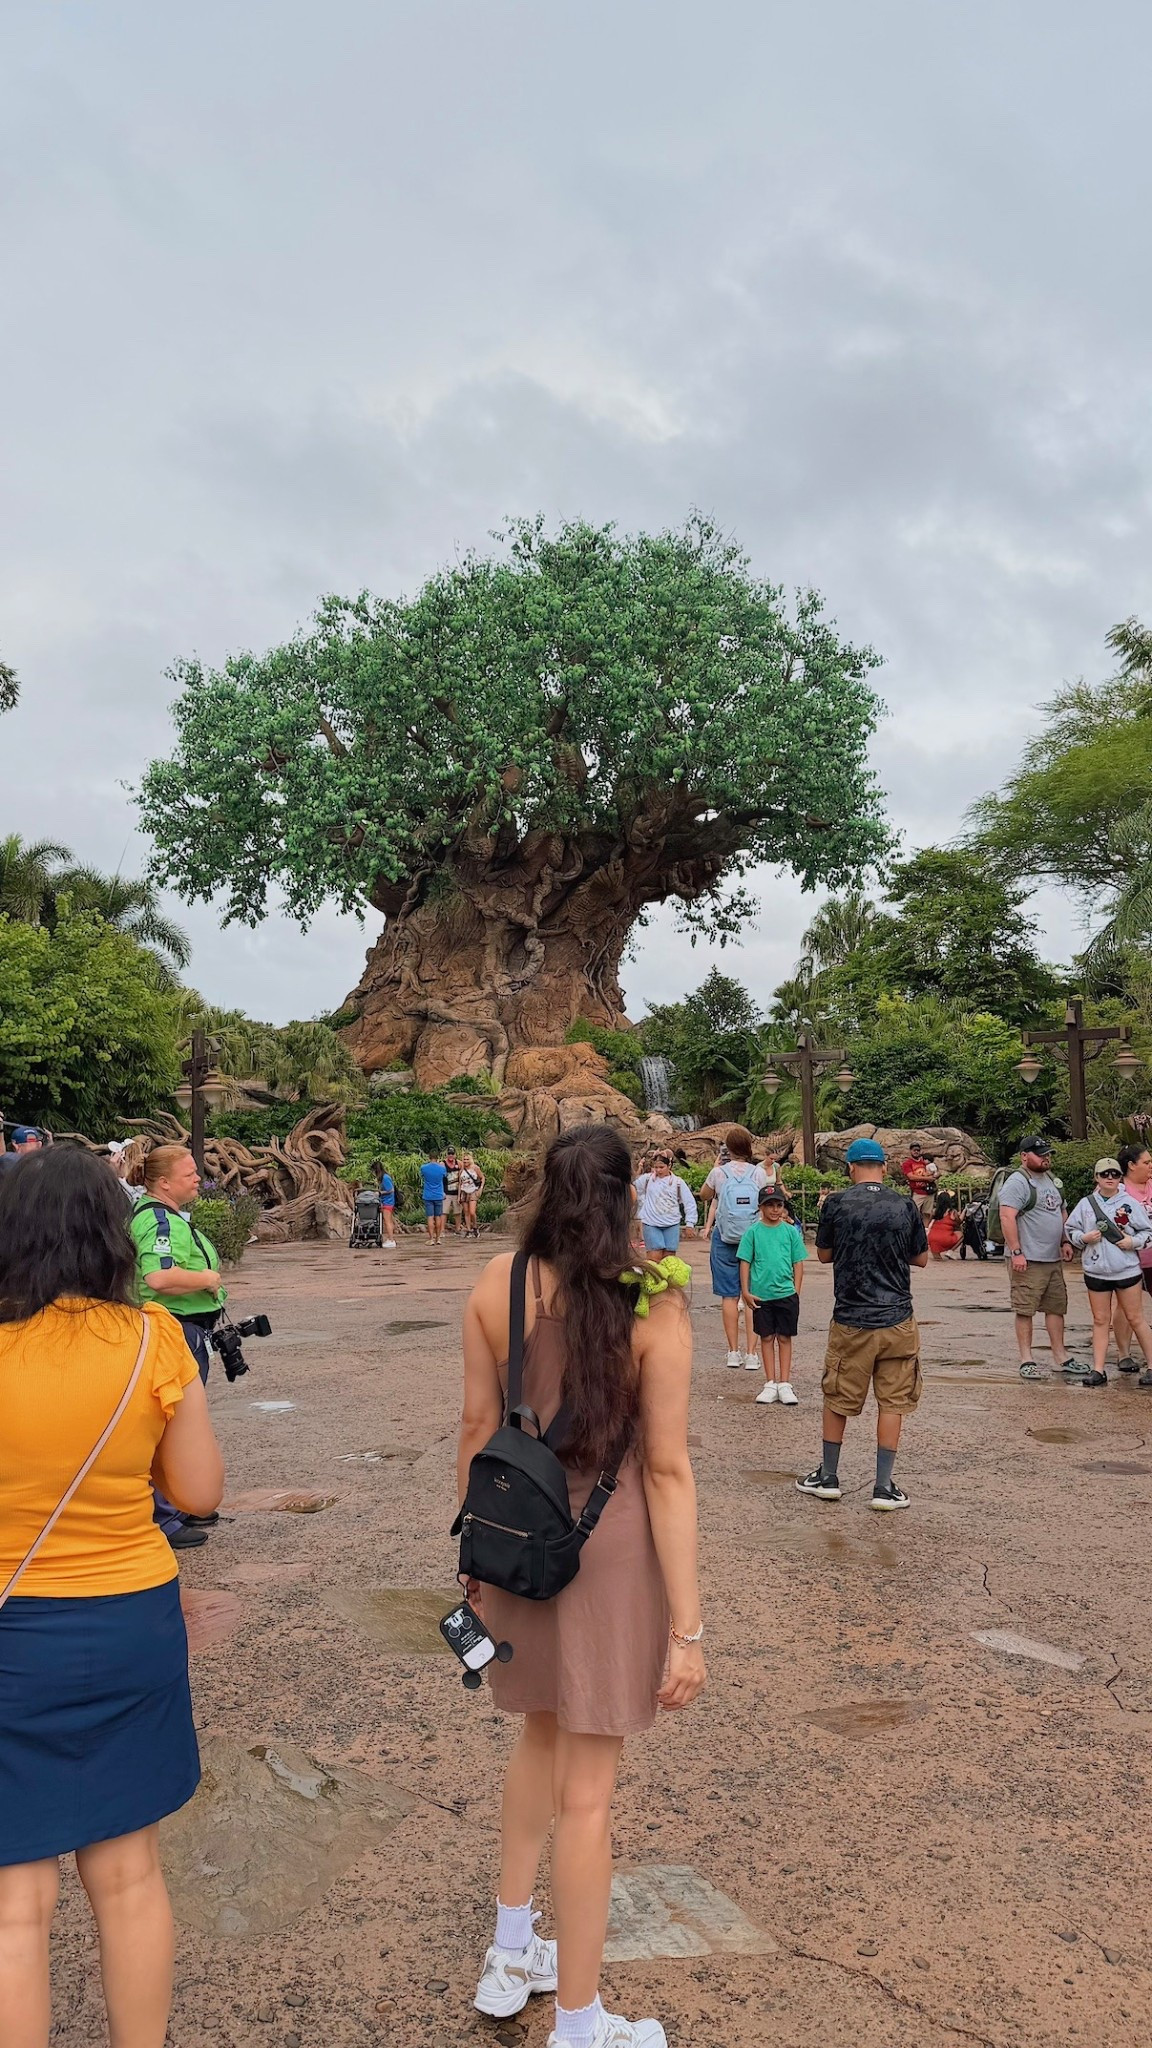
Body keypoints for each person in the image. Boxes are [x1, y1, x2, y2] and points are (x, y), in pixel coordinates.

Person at [459, 1125, 705, 2048]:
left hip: (517, 1538)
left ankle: (510, 1953)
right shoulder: (655, 1306)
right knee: (590, 1794)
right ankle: (579, 2022)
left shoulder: (498, 1284)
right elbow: (670, 1472)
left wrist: (473, 1557)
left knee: (539, 1739)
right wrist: (687, 1626)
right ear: (625, 1195)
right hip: (606, 1550)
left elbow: (476, 1428)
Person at [0, 1144, 225, 2048]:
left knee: (15, 1897)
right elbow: (201, 1491)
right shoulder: (151, 1340)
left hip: (14, 1633)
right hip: (129, 1618)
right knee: (128, 1876)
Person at [796, 1136, 928, 1512]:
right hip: (897, 1319)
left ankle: (829, 1477)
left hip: (852, 1318)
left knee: (838, 1395)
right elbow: (921, 1259)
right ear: (884, 1168)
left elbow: (823, 1255)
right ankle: (884, 1487)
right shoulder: (904, 1205)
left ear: (851, 1168)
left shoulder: (837, 1203)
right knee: (893, 1401)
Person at [129, 1145, 226, 1552]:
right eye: (190, 1173)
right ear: (164, 1182)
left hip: (183, 1327)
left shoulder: (164, 1216)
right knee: (172, 1422)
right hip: (174, 1329)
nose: (198, 1179)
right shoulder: (157, 1219)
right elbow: (159, 1277)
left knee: (178, 1420)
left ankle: (181, 1503)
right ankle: (166, 1516)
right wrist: (207, 1277)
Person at [998, 1136, 1082, 1383]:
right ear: (1024, 1156)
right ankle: (1027, 1359)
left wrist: (1065, 1241)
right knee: (1025, 1308)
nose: (1046, 1158)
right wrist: (1016, 1251)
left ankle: (1060, 1356)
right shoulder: (1018, 1182)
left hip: (1052, 1257)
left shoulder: (1052, 1180)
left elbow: (1062, 1211)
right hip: (1028, 1258)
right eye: (1040, 1154)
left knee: (1056, 1307)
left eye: (1047, 1154)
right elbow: (1007, 1217)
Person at [1065, 1159, 1152, 1387]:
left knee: (1135, 1318)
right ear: (1097, 1177)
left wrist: (1131, 1241)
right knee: (1100, 1319)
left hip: (1125, 1269)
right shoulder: (1086, 1204)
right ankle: (1098, 1368)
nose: (1110, 1178)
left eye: (1114, 1173)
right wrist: (1083, 1239)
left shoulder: (1130, 1203)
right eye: (1105, 1174)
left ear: (1120, 1176)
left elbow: (1148, 1231)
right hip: (1096, 1270)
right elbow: (1071, 1229)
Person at [702, 1127, 771, 1370]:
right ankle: (752, 1354)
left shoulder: (718, 1173)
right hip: (752, 1239)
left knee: (729, 1297)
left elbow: (704, 1195)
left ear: (728, 1149)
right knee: (751, 1295)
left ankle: (733, 1352)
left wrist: (716, 1167)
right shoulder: (758, 1173)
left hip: (725, 1238)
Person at [738, 1184, 807, 1406]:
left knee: (785, 1337)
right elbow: (745, 1262)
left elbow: (798, 1262)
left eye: (779, 1205)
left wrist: (796, 1290)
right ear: (761, 1208)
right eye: (770, 1206)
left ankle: (785, 1382)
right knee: (766, 1337)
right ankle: (770, 1382)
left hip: (786, 1293)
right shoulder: (753, 1233)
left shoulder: (790, 1232)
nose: (775, 1210)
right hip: (761, 1295)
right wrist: (745, 1291)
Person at [1111, 1143, 1152, 1368]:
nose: (1150, 1166)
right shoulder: (1116, 1190)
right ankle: (1123, 1354)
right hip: (1129, 1259)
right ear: (1131, 1166)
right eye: (1146, 1162)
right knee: (1126, 1308)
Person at [632, 1151, 698, 1254]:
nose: (658, 1170)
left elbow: (689, 1202)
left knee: (669, 1257)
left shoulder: (678, 1182)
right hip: (651, 1222)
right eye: (656, 1167)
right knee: (655, 1256)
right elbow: (632, 1188)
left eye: (661, 1167)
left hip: (672, 1223)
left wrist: (690, 1223)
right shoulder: (647, 1179)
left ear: (669, 1165)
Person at [420, 1150, 449, 1245]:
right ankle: (438, 1238)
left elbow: (423, 1176)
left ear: (429, 1157)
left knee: (430, 1217)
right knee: (438, 1216)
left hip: (428, 1195)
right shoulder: (442, 1168)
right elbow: (445, 1178)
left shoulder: (424, 1168)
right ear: (438, 1158)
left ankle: (431, 1239)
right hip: (439, 1195)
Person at [899, 1142, 935, 1218]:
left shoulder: (924, 1162)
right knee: (914, 1213)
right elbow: (911, 1177)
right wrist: (927, 1179)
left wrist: (935, 1176)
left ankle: (926, 1229)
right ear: (910, 1151)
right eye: (914, 1150)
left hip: (929, 1191)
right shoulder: (907, 1163)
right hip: (917, 1192)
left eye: (918, 1150)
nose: (916, 1152)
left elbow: (934, 1171)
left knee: (927, 1214)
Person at [927, 1191, 963, 1260]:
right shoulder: (952, 1212)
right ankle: (950, 1251)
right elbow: (959, 1222)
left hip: (932, 1238)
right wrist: (963, 1213)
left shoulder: (935, 1211)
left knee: (937, 1258)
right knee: (960, 1234)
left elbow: (928, 1223)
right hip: (945, 1238)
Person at [459, 1151, 485, 1239]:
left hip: (473, 1191)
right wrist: (459, 1195)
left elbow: (482, 1177)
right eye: (464, 1159)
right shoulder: (461, 1170)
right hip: (464, 1191)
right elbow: (459, 1183)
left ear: (470, 1160)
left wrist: (481, 1188)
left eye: (467, 1159)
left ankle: (475, 1227)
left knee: (472, 1212)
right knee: (466, 1212)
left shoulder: (475, 1168)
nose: (465, 1161)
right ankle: (469, 1230)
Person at [372, 1159, 397, 1248]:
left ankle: (391, 1240)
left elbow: (391, 1190)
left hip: (388, 1202)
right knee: (387, 1221)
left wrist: (380, 1193)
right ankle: (389, 1238)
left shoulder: (385, 1178)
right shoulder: (384, 1178)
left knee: (387, 1221)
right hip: (386, 1202)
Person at [444, 1147, 463, 1235]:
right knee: (444, 1212)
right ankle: (441, 1230)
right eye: (449, 1154)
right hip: (446, 1192)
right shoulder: (442, 1164)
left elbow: (462, 1177)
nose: (450, 1156)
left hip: (456, 1192)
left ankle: (458, 1228)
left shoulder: (459, 1163)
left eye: (452, 1154)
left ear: (455, 1154)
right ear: (447, 1154)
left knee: (457, 1212)